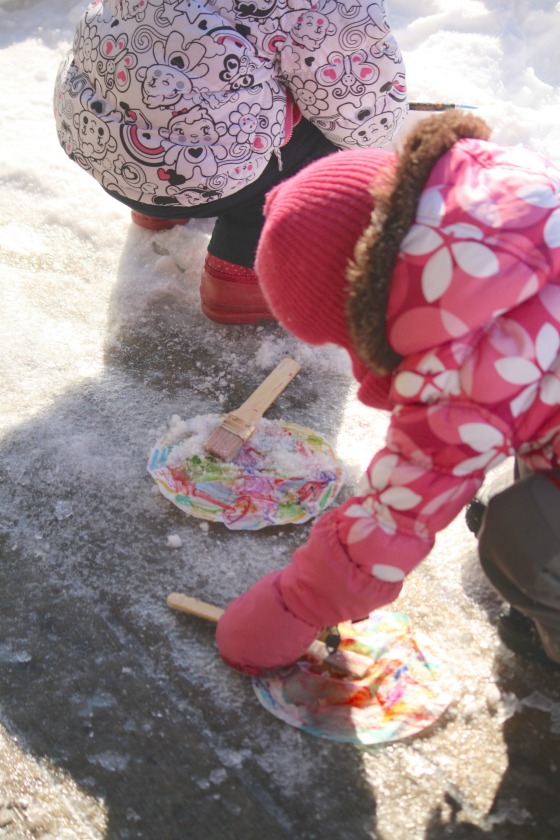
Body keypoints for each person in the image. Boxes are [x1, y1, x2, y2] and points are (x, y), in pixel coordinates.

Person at [215, 110, 560, 675]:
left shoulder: (457, 366)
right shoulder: (517, 225)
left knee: (523, 540)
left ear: (366, 309)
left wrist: (292, 606)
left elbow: (392, 520)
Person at [53, 0, 407, 324]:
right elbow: (360, 109)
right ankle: (244, 275)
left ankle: (161, 210)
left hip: (99, 133)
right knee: (323, 152)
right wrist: (385, 146)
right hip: (196, 170)